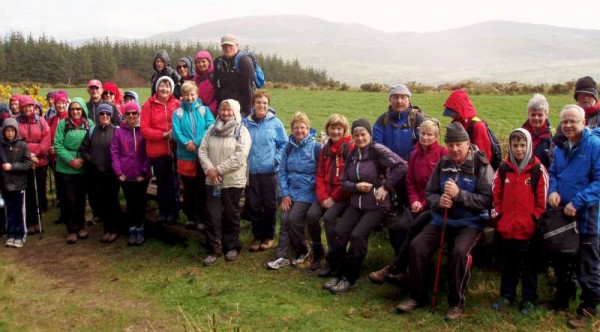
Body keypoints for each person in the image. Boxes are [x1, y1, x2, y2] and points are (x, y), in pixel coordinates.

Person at [396, 122, 493, 320]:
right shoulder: (443, 163)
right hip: (443, 219)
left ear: (468, 143)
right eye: (450, 145)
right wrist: (439, 201)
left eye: (459, 144)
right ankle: (417, 296)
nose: (455, 149)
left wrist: (460, 195)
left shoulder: (481, 165)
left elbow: (487, 200)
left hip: (470, 222)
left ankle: (456, 303)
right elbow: (430, 192)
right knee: (417, 246)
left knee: (459, 253)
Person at [322, 118, 406, 293]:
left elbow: (401, 166)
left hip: (377, 204)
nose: (360, 138)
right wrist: (356, 187)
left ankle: (350, 278)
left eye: (363, 134)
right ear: (352, 136)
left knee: (357, 236)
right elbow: (344, 182)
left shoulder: (377, 150)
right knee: (339, 233)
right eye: (356, 135)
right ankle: (337, 273)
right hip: (356, 202)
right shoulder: (352, 154)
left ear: (369, 135)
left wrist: (385, 187)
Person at [368, 119, 448, 284]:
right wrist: (413, 201)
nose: (425, 137)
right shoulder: (414, 154)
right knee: (400, 227)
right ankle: (404, 269)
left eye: (429, 134)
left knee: (413, 228)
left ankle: (395, 268)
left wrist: (423, 203)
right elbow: (410, 181)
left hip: (433, 205)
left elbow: (440, 185)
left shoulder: (442, 154)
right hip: (416, 203)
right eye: (423, 134)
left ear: (437, 136)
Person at [548, 104, 600, 329]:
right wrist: (553, 191)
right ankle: (563, 296)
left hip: (588, 213)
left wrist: (578, 202)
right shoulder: (560, 147)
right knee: (563, 256)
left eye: (573, 121)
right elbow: (554, 173)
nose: (568, 125)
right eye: (565, 121)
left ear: (584, 122)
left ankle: (588, 308)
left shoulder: (595, 146)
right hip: (564, 214)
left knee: (588, 261)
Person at [490, 128, 548, 315]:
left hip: (528, 228)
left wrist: (535, 218)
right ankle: (507, 295)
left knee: (529, 266)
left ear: (529, 145)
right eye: (515, 145)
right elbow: (495, 193)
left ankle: (528, 299)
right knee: (509, 264)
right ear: (511, 146)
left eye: (523, 145)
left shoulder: (538, 170)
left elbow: (542, 199)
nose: (519, 149)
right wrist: (498, 214)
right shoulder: (503, 169)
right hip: (508, 227)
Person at [266, 112, 322, 270]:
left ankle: (304, 250)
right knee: (284, 220)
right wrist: (284, 193)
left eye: (302, 127)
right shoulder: (288, 147)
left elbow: (321, 173)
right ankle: (282, 256)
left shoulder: (317, 147)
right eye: (296, 127)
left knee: (293, 219)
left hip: (308, 192)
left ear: (308, 128)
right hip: (290, 191)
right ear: (291, 129)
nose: (299, 130)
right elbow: (282, 171)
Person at [199, 99, 251, 266]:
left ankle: (231, 247)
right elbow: (202, 151)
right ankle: (213, 249)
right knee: (212, 216)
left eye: (229, 111)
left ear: (235, 112)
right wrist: (210, 170)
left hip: (232, 182)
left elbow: (240, 157)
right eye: (223, 110)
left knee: (231, 215)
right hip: (212, 181)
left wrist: (218, 170)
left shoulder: (242, 131)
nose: (225, 113)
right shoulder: (211, 130)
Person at [306, 113, 354, 274]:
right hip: (325, 194)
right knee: (312, 216)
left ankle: (333, 259)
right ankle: (318, 251)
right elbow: (319, 174)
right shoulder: (325, 148)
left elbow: (348, 178)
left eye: (339, 128)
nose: (335, 132)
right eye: (332, 128)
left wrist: (333, 199)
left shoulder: (349, 148)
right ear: (328, 129)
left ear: (345, 130)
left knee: (329, 218)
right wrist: (323, 197)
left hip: (342, 196)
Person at [242, 90, 287, 253]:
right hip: (251, 171)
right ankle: (257, 235)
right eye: (259, 102)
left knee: (269, 204)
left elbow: (284, 144)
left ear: (268, 105)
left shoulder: (275, 123)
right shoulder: (245, 123)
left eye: (265, 103)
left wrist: (276, 160)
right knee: (253, 205)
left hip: (269, 172)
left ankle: (268, 236)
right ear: (253, 104)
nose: (262, 105)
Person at [172, 81, 214, 230]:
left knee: (201, 188)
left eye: (192, 94)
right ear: (182, 96)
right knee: (188, 188)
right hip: (185, 156)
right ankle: (190, 216)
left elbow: (210, 127)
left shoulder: (204, 110)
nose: (189, 97)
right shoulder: (177, 113)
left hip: (202, 155)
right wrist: (186, 143)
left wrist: (196, 142)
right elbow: (176, 133)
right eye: (186, 95)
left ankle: (201, 218)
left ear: (197, 95)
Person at [53, 97, 95, 244]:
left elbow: (93, 142)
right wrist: (72, 161)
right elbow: (57, 144)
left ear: (83, 109)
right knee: (69, 199)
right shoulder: (63, 124)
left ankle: (81, 227)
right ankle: (71, 229)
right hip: (65, 168)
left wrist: (84, 159)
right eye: (73, 109)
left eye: (78, 109)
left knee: (81, 199)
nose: (76, 112)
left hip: (83, 166)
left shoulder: (89, 124)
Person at [141, 76, 181, 224]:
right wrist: (163, 135)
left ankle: (174, 213)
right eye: (161, 86)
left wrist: (175, 134)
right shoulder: (148, 105)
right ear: (157, 88)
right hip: (156, 152)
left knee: (174, 183)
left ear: (171, 89)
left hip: (174, 151)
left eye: (167, 86)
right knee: (162, 184)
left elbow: (182, 123)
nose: (164, 89)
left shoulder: (177, 104)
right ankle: (163, 211)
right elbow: (144, 129)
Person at [111, 101, 150, 246]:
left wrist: (144, 171)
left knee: (140, 203)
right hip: (125, 175)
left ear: (138, 114)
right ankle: (132, 229)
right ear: (124, 115)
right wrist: (118, 172)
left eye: (134, 113)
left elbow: (148, 153)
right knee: (130, 203)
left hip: (142, 175)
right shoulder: (118, 132)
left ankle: (140, 230)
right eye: (128, 113)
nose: (131, 116)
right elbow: (114, 153)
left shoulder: (143, 131)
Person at [80, 103, 120, 243]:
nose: (104, 116)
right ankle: (107, 229)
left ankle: (114, 230)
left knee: (113, 201)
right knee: (102, 202)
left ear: (111, 116)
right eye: (102, 114)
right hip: (97, 172)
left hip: (113, 173)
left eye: (107, 114)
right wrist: (91, 159)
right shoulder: (91, 131)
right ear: (98, 116)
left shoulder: (117, 131)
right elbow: (84, 149)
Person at [16, 96, 51, 234]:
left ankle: (38, 221)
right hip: (24, 161)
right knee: (28, 191)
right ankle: (29, 221)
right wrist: (28, 155)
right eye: (25, 106)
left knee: (39, 190)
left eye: (31, 106)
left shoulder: (41, 121)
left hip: (40, 161)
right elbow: (16, 140)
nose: (29, 109)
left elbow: (46, 139)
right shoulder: (17, 121)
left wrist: (36, 153)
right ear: (21, 108)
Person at [1, 118, 33, 248]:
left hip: (19, 184)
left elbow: (28, 163)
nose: (9, 133)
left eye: (12, 130)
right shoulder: (1, 145)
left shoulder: (22, 145)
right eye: (7, 130)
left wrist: (12, 166)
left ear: (16, 131)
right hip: (5, 184)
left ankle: (20, 234)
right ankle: (11, 234)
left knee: (19, 211)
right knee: (10, 211)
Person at [373, 83, 426, 161]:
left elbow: (424, 143)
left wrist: (407, 160)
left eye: (403, 97)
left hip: (412, 164)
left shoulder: (417, 118)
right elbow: (377, 144)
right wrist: (391, 160)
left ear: (409, 100)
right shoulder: (383, 119)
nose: (399, 101)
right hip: (389, 165)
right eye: (395, 97)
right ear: (390, 100)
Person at [442, 89, 493, 161]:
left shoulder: (478, 126)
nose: (451, 116)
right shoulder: (456, 123)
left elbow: (484, 156)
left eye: (454, 113)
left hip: (474, 168)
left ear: (460, 111)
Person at [214, 34, 255, 117]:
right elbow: (217, 88)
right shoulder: (218, 62)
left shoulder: (244, 62)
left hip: (240, 109)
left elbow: (248, 89)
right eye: (224, 46)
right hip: (224, 108)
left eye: (230, 45)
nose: (227, 48)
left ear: (237, 46)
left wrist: (246, 112)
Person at [521, 93, 553, 168]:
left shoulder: (553, 136)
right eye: (533, 114)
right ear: (528, 114)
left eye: (540, 115)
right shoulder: (521, 134)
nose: (536, 118)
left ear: (546, 115)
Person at [194, 50, 218, 116]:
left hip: (213, 113)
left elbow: (220, 96)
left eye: (203, 61)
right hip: (199, 113)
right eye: (198, 62)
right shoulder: (196, 79)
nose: (201, 64)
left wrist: (208, 110)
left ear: (209, 62)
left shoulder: (215, 76)